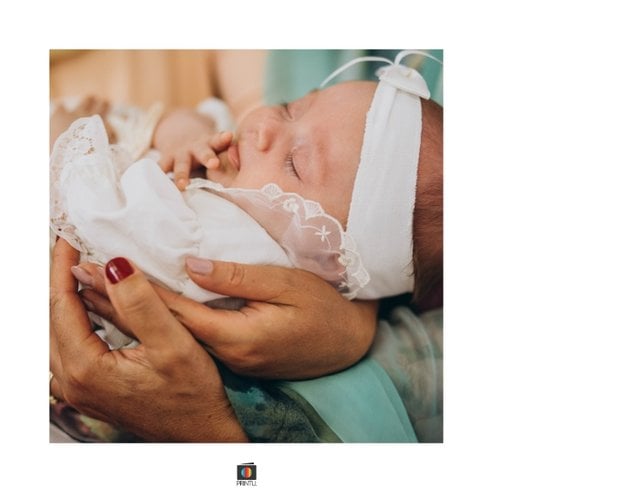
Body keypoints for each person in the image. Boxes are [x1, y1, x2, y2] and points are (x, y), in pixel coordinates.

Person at [49, 52, 443, 441]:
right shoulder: (241, 170)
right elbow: (203, 118)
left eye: (295, 163)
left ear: (328, 256)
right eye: (291, 108)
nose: (265, 126)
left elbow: (96, 218)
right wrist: (185, 135)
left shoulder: (226, 244)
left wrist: (64, 143)